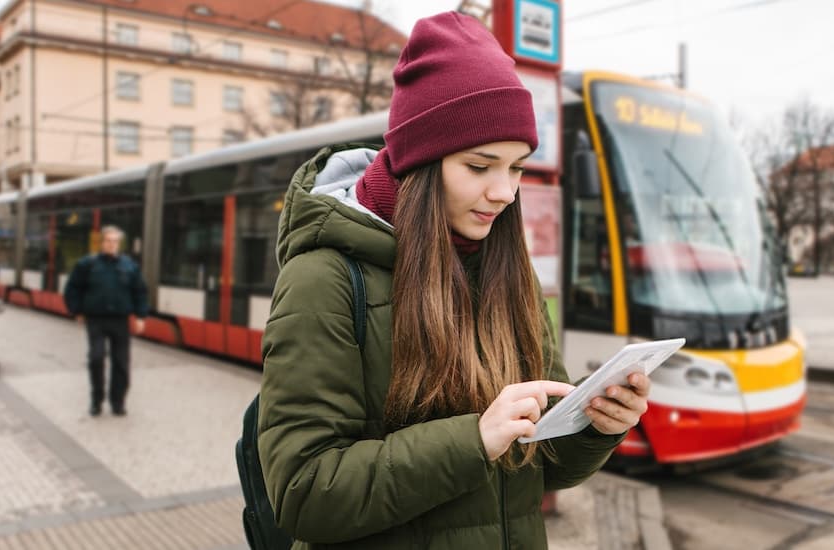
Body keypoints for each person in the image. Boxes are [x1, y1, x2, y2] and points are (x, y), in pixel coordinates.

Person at [259, 12, 651, 549]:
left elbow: (542, 468)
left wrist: (598, 426)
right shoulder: (323, 276)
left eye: (516, 168)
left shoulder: (508, 268)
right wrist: (473, 440)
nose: (504, 193)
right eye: (479, 166)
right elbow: (303, 494)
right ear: (420, 162)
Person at [64, 225, 147, 417]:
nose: (112, 245)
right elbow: (73, 288)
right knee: (96, 358)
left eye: (115, 241)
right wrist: (76, 311)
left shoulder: (129, 266)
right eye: (108, 241)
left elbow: (140, 292)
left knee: (121, 363)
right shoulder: (87, 264)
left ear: (119, 244)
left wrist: (141, 316)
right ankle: (96, 401)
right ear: (101, 243)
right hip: (96, 320)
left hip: (120, 321)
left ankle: (118, 402)